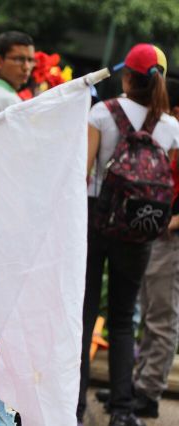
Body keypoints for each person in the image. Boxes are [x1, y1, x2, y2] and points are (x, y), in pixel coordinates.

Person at [79, 43, 179, 426]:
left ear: (126, 77)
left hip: (96, 220)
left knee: (85, 315)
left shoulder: (103, 113)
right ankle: (122, 411)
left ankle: (74, 408)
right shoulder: (170, 127)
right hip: (139, 230)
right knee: (123, 319)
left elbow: (83, 173)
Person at [130, 76, 179, 419]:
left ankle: (148, 393)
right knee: (150, 312)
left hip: (171, 239)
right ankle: (138, 383)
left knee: (161, 317)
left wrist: (165, 224)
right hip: (160, 235)